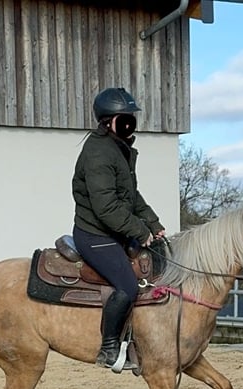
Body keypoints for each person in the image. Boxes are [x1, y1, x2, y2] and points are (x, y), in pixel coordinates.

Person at [71, 87, 166, 371]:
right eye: (123, 119)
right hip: (95, 234)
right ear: (107, 122)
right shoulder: (99, 153)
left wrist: (154, 224)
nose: (129, 123)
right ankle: (109, 348)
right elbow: (107, 207)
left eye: (131, 119)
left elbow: (131, 196)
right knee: (127, 285)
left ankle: (140, 344)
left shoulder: (118, 149)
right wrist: (139, 230)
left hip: (115, 231)